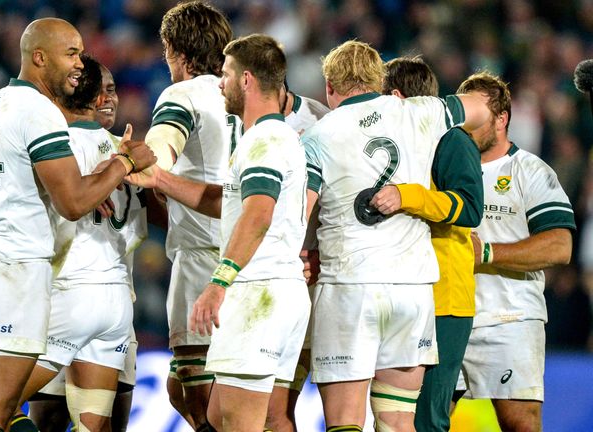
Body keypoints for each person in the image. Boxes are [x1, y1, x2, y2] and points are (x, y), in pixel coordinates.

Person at [0, 18, 154, 432]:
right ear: (39, 58)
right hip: (21, 270)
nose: (81, 63)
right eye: (72, 53)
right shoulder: (43, 115)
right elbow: (75, 202)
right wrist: (125, 164)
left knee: (6, 408)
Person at [301, 40, 490, 432]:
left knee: (345, 423)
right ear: (378, 79)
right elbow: (479, 106)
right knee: (400, 423)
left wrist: (301, 252)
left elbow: (302, 209)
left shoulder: (319, 135)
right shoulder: (418, 111)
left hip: (351, 287)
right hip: (413, 291)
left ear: (330, 87)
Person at [129, 32, 310, 431]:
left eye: (226, 74)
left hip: (256, 294)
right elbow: (226, 203)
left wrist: (218, 282)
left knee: (237, 423)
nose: (220, 82)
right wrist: (160, 180)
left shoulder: (262, 140)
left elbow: (258, 214)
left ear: (246, 80)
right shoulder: (275, 137)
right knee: (233, 419)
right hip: (283, 293)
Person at [453, 72, 575, 432]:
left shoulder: (530, 171)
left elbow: (560, 245)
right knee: (426, 421)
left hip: (509, 319)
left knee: (520, 424)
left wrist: (487, 252)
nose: (467, 122)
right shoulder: (444, 169)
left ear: (501, 119)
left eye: (476, 114)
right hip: (448, 317)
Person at [26, 58, 142, 432]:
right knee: (94, 425)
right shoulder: (130, 154)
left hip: (67, 293)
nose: (108, 97)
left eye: (113, 89)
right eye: (102, 89)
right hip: (113, 296)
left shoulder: (52, 148)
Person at [373, 56, 484, 432]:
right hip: (408, 293)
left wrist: (409, 196)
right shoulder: (399, 146)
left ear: (398, 97)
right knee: (393, 416)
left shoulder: (452, 139)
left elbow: (470, 208)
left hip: (445, 300)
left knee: (427, 420)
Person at [143, 2, 234, 430]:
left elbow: (157, 155)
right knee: (181, 389)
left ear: (175, 51)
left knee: (203, 405)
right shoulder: (244, 93)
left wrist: (142, 166)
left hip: (203, 260)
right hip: (254, 256)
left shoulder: (181, 95)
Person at [265, 81, 330, 432]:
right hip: (261, 279)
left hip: (307, 279)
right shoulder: (238, 121)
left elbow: (341, 192)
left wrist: (323, 250)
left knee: (276, 411)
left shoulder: (320, 118)